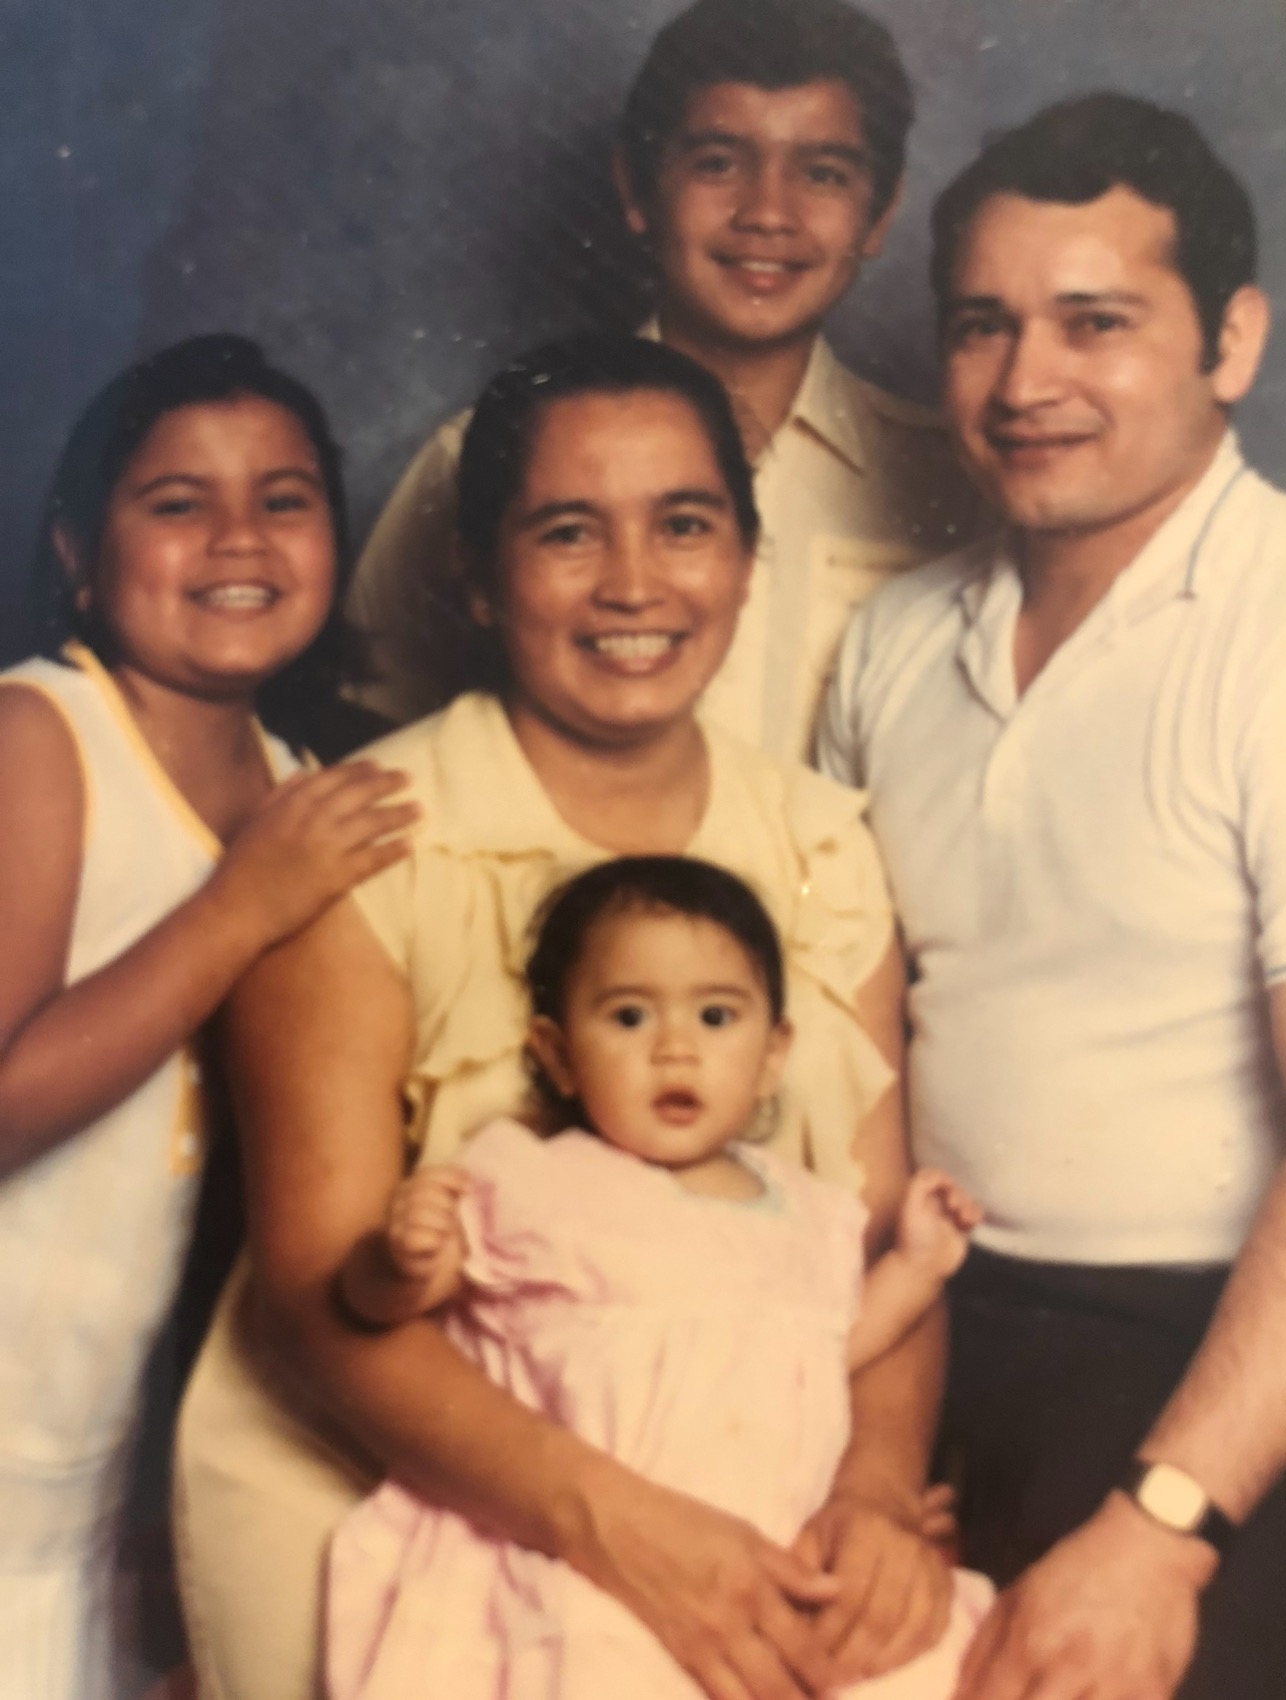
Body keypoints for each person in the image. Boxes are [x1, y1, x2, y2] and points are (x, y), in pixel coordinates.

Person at [175, 335, 953, 1700]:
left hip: (738, 1488)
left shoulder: (824, 850)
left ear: (747, 559)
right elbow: (314, 1304)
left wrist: (877, 1491)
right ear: (478, 576)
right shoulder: (358, 845)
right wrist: (627, 1532)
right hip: (377, 1493)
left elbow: (875, 1239)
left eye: (685, 524)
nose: (634, 583)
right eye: (567, 532)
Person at [817, 93, 1286, 1700]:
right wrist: (866, 1453)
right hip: (921, 1344)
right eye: (981, 328)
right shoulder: (890, 645)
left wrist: (1163, 1530)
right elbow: (846, 1072)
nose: (1024, 385)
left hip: (1219, 1388)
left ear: (1231, 342)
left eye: (1094, 323)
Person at [0, 334, 417, 1700]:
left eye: (284, 499)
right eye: (177, 502)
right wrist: (242, 906)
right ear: (78, 550)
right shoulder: (41, 735)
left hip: (83, 1466)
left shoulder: (301, 787)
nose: (238, 536)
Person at [327, 855, 992, 1700]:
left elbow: (827, 1347)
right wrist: (400, 1261)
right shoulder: (531, 1179)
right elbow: (372, 1308)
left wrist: (916, 1266)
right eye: (630, 1016)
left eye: (716, 1017)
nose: (675, 1048)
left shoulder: (809, 1212)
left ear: (772, 1055)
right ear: (559, 1056)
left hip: (776, 1554)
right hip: (600, 1566)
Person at [349, 0, 982, 759]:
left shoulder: (957, 484)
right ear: (637, 189)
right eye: (717, 163)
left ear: (879, 214)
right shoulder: (474, 460)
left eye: (822, 173)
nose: (767, 213)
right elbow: (369, 740)